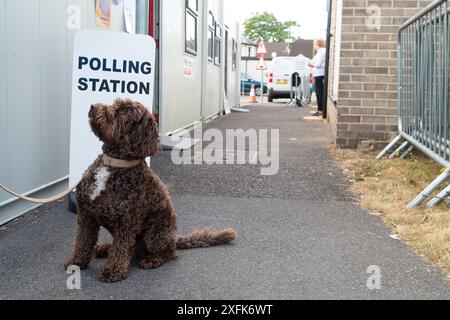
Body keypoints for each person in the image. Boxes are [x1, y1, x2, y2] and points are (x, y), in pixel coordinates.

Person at [308, 39, 326, 117]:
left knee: (319, 93)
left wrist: (312, 64)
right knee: (318, 93)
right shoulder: (320, 51)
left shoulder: (321, 51)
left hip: (319, 74)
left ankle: (321, 110)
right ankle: (320, 110)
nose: (314, 46)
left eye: (315, 44)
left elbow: (318, 64)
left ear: (318, 44)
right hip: (318, 74)